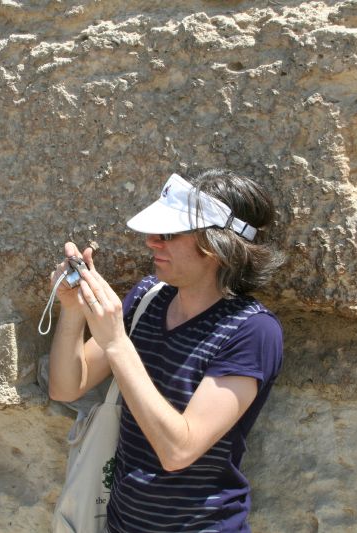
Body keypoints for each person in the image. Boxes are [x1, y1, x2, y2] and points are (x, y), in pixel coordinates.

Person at [48, 169, 285, 532]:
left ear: (217, 245)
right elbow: (66, 387)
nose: (152, 242)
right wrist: (72, 311)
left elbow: (179, 450)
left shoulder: (252, 331)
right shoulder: (148, 299)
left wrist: (115, 342)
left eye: (170, 234)